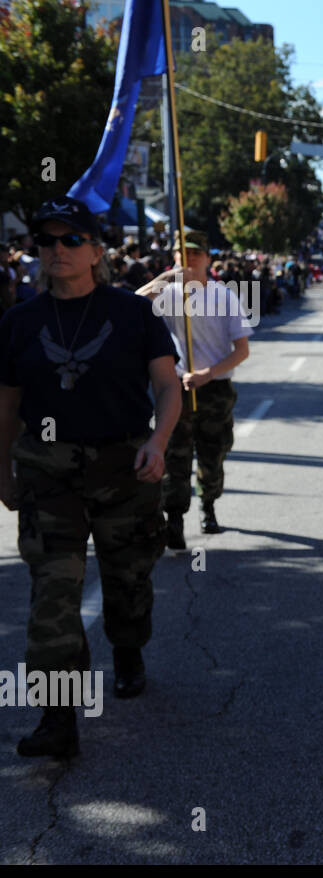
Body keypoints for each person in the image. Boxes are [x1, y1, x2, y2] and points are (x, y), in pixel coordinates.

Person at [0, 197, 181, 757]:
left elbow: (169, 387)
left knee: (128, 584)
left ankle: (127, 648)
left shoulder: (132, 313)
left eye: (70, 240)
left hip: (123, 467)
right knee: (53, 592)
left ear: (97, 251)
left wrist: (158, 440)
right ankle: (59, 718)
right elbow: (6, 407)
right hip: (47, 474)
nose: (56, 250)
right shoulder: (20, 321)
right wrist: (1, 472)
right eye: (46, 240)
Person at [138, 232, 251, 544]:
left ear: (207, 258)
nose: (189, 260)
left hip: (214, 388)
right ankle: (174, 519)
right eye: (182, 254)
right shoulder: (168, 292)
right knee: (175, 454)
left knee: (212, 453)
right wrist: (166, 278)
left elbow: (241, 350)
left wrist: (207, 373)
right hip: (176, 388)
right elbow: (132, 304)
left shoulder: (224, 295)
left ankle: (209, 506)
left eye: (195, 254)